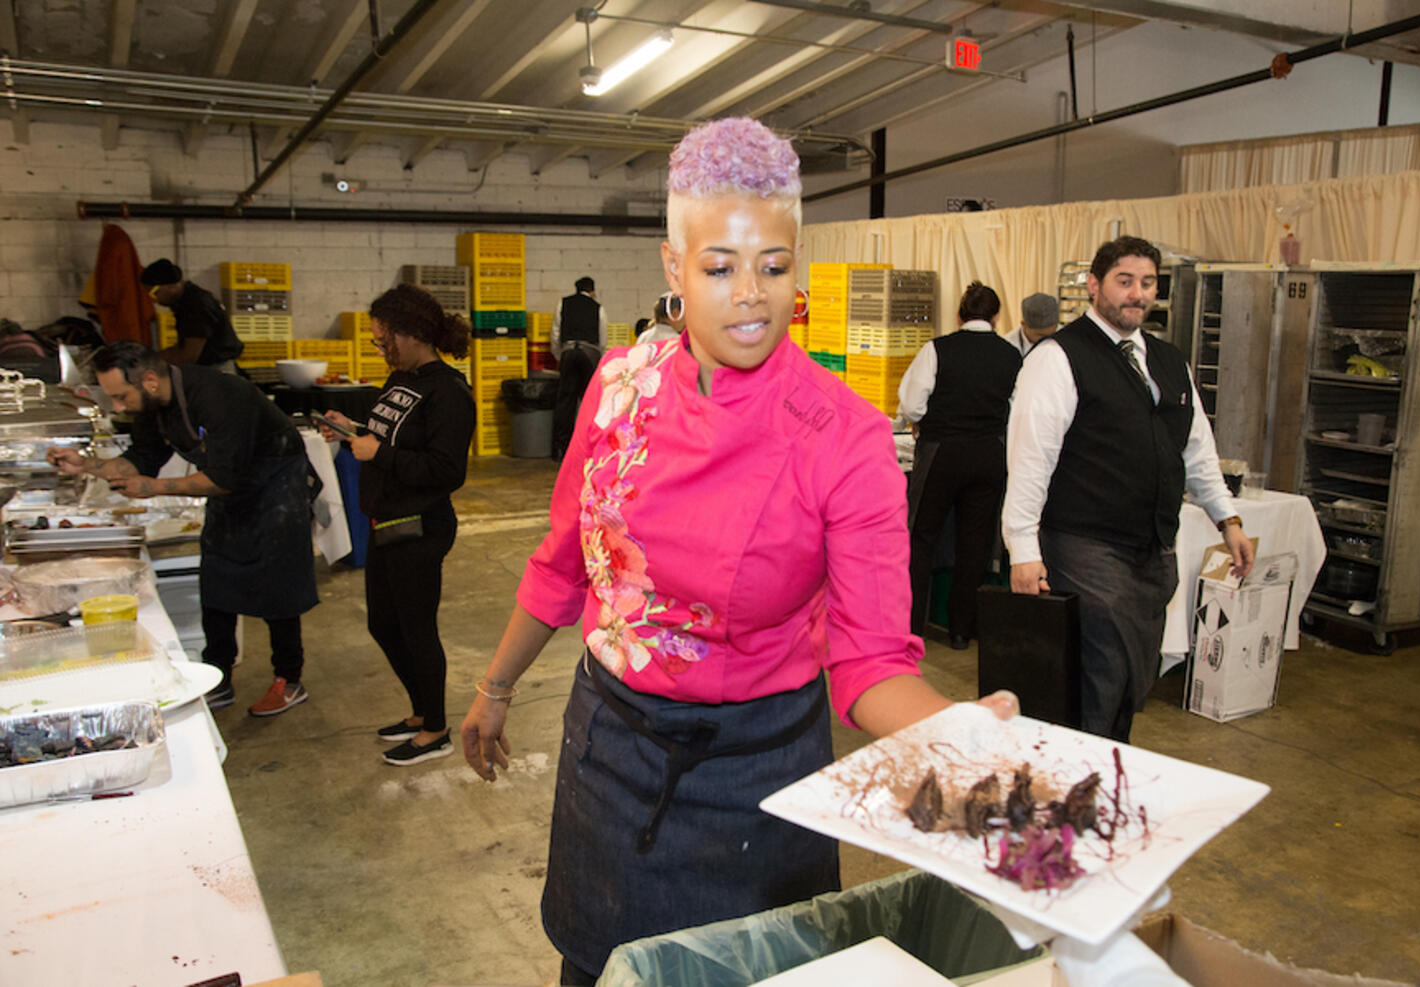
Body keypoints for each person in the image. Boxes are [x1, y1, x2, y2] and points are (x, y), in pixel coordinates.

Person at [459, 117, 1018, 987]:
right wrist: (495, 688)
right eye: (720, 267)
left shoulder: (844, 436)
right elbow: (563, 560)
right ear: (674, 267)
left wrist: (953, 733)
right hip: (609, 749)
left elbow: (871, 660)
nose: (751, 295)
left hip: (756, 777)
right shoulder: (618, 389)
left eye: (774, 266)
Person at [1002, 236, 1255, 742]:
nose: (1136, 294)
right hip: (1086, 546)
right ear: (1094, 285)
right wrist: (1022, 549)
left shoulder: (1169, 360)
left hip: (1153, 552)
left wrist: (1227, 520)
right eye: (1124, 281)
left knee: (1129, 683)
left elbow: (1197, 450)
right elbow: (1030, 459)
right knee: (1101, 678)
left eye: (1147, 283)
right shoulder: (1058, 358)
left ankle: (1108, 767)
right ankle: (1087, 777)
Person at [47, 341, 318, 714]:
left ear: (149, 380)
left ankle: (289, 679)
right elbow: (143, 458)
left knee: (277, 586)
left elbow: (223, 477)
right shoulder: (153, 405)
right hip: (230, 492)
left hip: (276, 488)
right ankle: (217, 677)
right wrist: (88, 465)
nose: (118, 407)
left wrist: (155, 488)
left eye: (121, 396)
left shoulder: (219, 396)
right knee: (216, 582)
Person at [317, 285, 476, 766]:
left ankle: (436, 729)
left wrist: (378, 453)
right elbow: (388, 435)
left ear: (412, 335)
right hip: (385, 521)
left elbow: (446, 471)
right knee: (384, 625)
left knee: (416, 629)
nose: (381, 349)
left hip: (419, 527)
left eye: (385, 341)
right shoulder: (400, 379)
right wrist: (352, 430)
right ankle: (421, 710)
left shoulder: (449, 392)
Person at [896, 282, 1022, 647]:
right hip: (990, 454)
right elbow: (1018, 409)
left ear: (959, 314)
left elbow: (913, 405)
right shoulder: (1011, 355)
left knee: (922, 537)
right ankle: (961, 631)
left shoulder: (937, 349)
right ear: (996, 316)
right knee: (975, 544)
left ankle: (912, 627)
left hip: (942, 452)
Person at [139, 259, 244, 372]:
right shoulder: (183, 302)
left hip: (215, 370)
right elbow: (182, 347)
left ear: (171, 286)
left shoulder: (196, 305)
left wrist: (150, 365)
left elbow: (189, 356)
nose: (154, 300)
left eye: (155, 293)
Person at [550, 276, 607, 461]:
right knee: (590, 402)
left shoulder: (563, 303)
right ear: (592, 291)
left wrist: (559, 355)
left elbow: (555, 333)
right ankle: (589, 448)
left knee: (565, 401)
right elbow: (602, 338)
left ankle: (560, 449)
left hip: (568, 351)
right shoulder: (598, 308)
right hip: (589, 354)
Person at [1003, 291, 1060, 357]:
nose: (1047, 340)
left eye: (1052, 334)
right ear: (1024, 325)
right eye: (1041, 335)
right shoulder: (1008, 346)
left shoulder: (1064, 337)